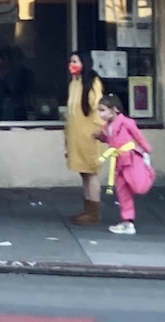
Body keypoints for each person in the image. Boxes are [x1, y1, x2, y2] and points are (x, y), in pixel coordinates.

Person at [94, 94, 153, 236]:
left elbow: (138, 136)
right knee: (122, 191)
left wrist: (146, 151)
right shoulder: (107, 126)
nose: (101, 114)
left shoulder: (127, 122)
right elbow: (112, 139)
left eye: (103, 110)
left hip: (131, 159)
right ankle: (127, 220)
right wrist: (101, 138)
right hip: (119, 162)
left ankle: (149, 174)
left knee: (139, 187)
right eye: (99, 110)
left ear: (114, 109)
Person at [64, 50, 106, 226]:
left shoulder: (93, 82)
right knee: (83, 172)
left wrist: (100, 131)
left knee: (91, 172)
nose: (72, 65)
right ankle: (87, 208)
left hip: (90, 135)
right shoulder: (74, 83)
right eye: (71, 61)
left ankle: (94, 212)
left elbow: (97, 108)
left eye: (75, 61)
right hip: (76, 135)